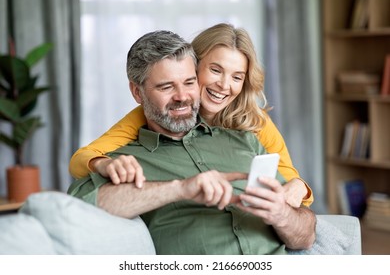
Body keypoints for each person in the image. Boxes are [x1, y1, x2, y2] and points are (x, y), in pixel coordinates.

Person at [68, 30, 316, 255]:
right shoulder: (130, 149)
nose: (182, 97)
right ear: (137, 93)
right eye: (166, 86)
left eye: (188, 83)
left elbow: (297, 205)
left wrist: (289, 203)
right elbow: (80, 202)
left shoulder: (249, 129)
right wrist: (180, 188)